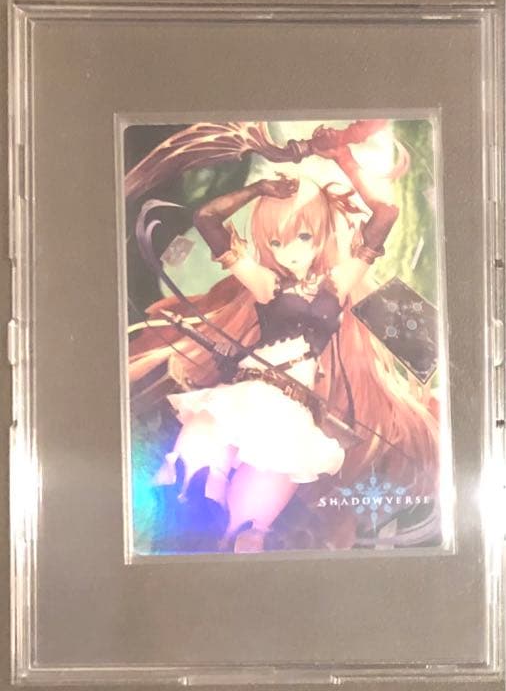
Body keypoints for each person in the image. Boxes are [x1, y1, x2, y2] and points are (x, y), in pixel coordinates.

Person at [129, 125, 438, 552]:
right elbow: (207, 219)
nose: (289, 251)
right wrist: (258, 189)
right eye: (276, 241)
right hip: (242, 396)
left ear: (322, 235)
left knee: (243, 536)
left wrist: (342, 157)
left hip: (291, 417)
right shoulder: (267, 285)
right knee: (188, 494)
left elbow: (384, 214)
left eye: (303, 237)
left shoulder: (336, 286)